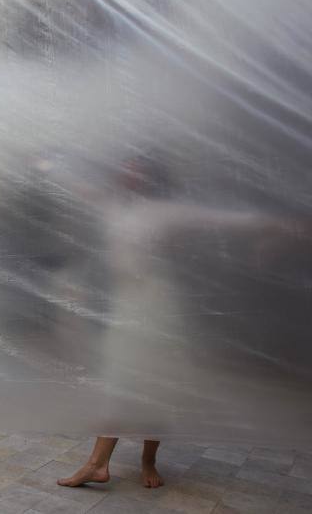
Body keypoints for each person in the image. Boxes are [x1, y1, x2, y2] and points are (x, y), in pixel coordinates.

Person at [58, 153, 307, 489]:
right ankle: (98, 465)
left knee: (155, 386)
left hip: (157, 307)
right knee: (118, 383)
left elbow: (225, 220)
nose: (128, 173)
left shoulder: (167, 211)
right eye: (126, 167)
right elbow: (80, 190)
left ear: (152, 177)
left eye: (137, 169)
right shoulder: (116, 206)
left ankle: (142, 461)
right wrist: (48, 165)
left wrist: (281, 225)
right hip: (126, 308)